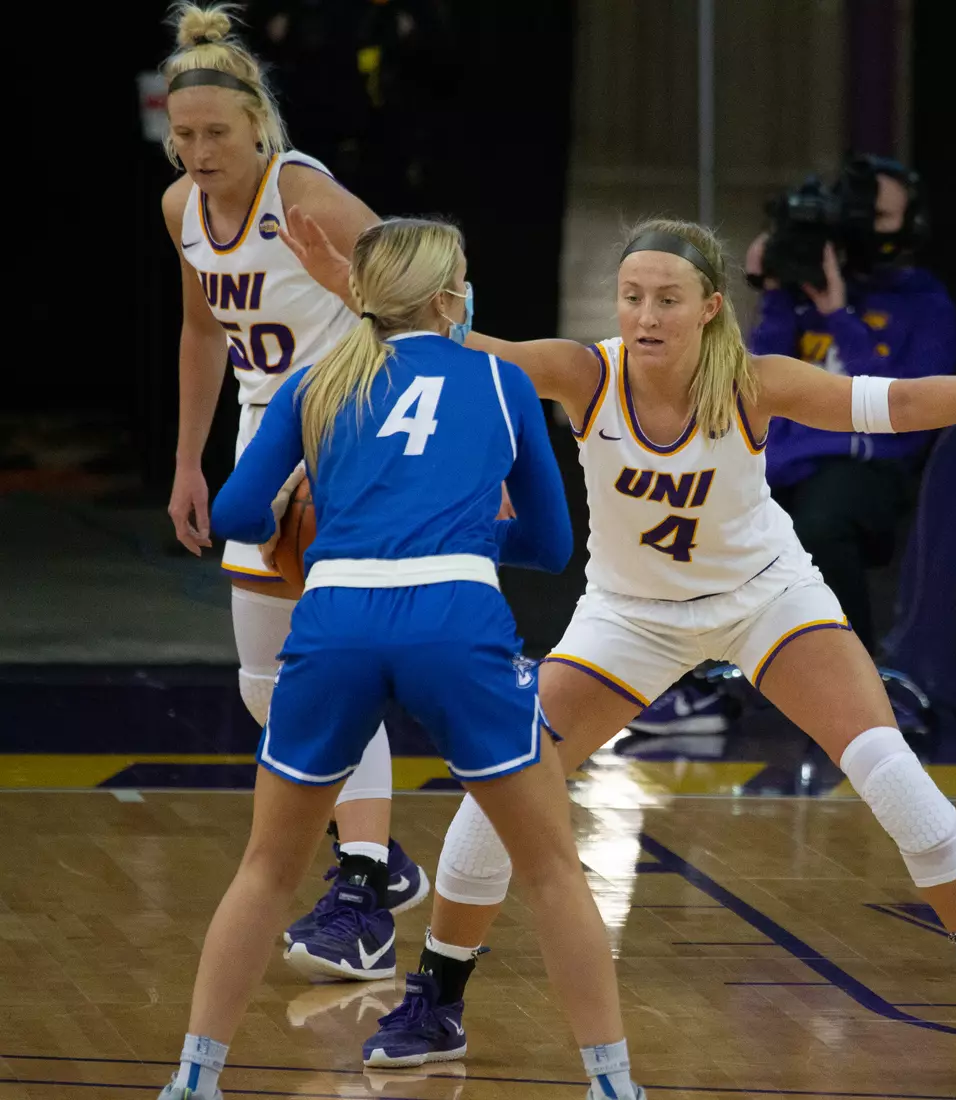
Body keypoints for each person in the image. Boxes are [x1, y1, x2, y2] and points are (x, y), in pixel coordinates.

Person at [282, 208, 956, 1088]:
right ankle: (438, 999)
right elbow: (446, 342)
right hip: (627, 616)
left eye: (667, 299)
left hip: (765, 601)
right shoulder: (586, 373)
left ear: (710, 305)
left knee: (891, 774)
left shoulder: (753, 381)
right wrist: (349, 286)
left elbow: (891, 405)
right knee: (495, 801)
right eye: (632, 297)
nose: (646, 316)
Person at [158, 216, 647, 1100]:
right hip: (455, 614)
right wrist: (464, 527)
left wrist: (290, 519)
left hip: (335, 613)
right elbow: (549, 543)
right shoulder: (499, 380)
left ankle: (193, 1078)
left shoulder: (316, 381)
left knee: (266, 870)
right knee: (549, 868)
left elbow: (232, 513)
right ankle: (612, 1085)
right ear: (447, 296)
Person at [159, 2, 428, 977]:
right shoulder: (180, 209)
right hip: (261, 445)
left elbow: (434, 289)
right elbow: (202, 333)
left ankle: (359, 889)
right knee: (265, 683)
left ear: (257, 128)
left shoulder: (300, 190)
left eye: (215, 133)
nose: (196, 151)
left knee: (331, 674)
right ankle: (381, 856)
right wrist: (191, 460)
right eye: (182, 134)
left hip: (346, 437)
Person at [629, 159, 956, 739]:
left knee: (822, 521)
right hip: (779, 464)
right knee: (672, 507)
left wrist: (840, 315)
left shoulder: (924, 303)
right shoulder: (806, 287)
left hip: (866, 468)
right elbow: (752, 378)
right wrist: (777, 293)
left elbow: (899, 408)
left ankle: (856, 686)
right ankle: (695, 685)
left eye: (878, 215)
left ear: (910, 225)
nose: (862, 226)